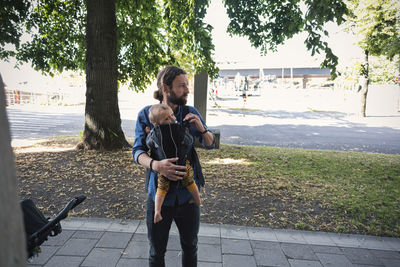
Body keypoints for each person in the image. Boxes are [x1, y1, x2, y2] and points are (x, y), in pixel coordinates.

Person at [132, 65, 215, 267]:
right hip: (159, 196)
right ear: (166, 88)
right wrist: (156, 165)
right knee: (156, 252)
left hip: (188, 198)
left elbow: (210, 143)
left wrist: (201, 128)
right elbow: (137, 152)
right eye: (182, 86)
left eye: (187, 85)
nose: (187, 90)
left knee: (190, 247)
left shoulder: (190, 112)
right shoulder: (147, 114)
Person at [146, 103, 201, 224]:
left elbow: (149, 143)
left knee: (161, 189)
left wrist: (148, 132)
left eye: (172, 115)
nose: (172, 119)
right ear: (156, 123)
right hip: (182, 165)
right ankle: (197, 200)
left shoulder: (155, 133)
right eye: (167, 118)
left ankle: (157, 211)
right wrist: (187, 134)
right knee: (190, 182)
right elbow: (189, 141)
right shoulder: (179, 129)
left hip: (164, 168)